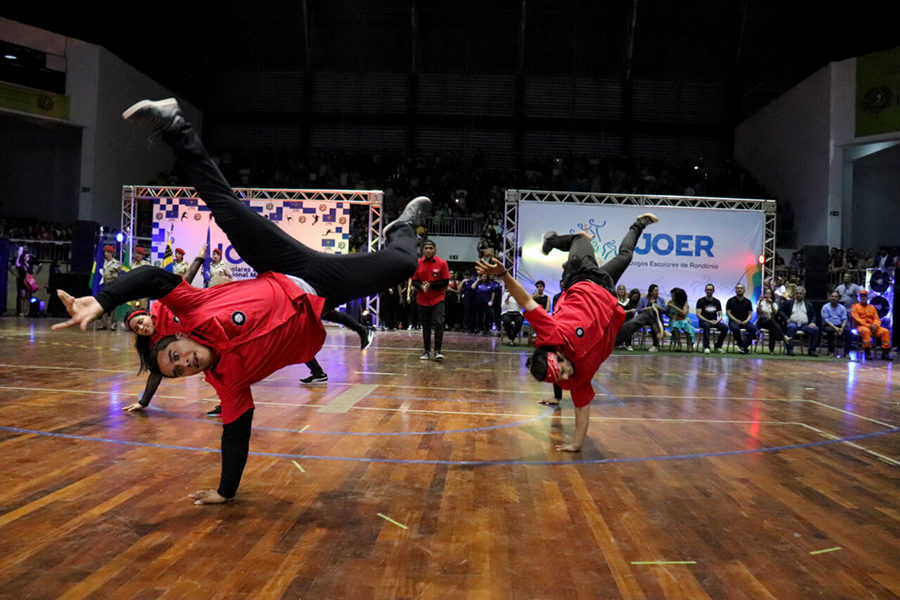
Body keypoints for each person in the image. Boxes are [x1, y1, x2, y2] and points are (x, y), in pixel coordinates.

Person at [53, 98, 427, 505]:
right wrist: (225, 492)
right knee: (405, 262)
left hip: (283, 265)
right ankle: (404, 226)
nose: (184, 364)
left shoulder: (192, 311)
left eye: (176, 356)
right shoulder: (229, 383)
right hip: (321, 290)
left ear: (180, 338)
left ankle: (173, 125)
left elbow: (156, 279)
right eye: (178, 373)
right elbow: (236, 432)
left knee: (226, 209)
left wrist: (103, 301)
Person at [477, 213, 659, 451]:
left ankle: (551, 242)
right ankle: (647, 314)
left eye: (561, 372)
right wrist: (576, 444)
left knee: (579, 240)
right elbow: (582, 409)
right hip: (607, 300)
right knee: (626, 256)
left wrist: (503, 275)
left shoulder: (551, 333)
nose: (565, 379)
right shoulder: (575, 380)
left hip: (582, 277)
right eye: (560, 379)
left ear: (559, 356)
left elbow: (525, 300)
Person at [414, 239, 449, 361]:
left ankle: (438, 350)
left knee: (439, 323)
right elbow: (414, 281)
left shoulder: (442, 263)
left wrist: (430, 285)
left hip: (437, 298)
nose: (428, 250)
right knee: (426, 325)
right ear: (423, 250)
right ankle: (426, 351)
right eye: (426, 248)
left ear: (435, 250)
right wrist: (421, 287)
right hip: (422, 298)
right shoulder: (417, 263)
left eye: (430, 248)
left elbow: (445, 281)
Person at [851, 290, 893, 361]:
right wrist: (869, 326)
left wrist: (875, 325)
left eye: (864, 296)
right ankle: (867, 352)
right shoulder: (855, 307)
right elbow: (858, 320)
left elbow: (876, 318)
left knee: (885, 331)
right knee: (866, 331)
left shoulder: (872, 307)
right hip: (860, 327)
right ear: (859, 297)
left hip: (873, 327)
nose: (863, 297)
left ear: (867, 297)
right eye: (861, 296)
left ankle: (885, 353)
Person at [779, 286, 820, 356]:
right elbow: (780, 310)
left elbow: (814, 315)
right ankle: (790, 350)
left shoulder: (808, 304)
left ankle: (811, 350)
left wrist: (813, 322)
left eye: (800, 293)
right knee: (791, 327)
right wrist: (786, 318)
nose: (798, 295)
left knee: (815, 329)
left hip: (805, 325)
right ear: (794, 294)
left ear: (804, 295)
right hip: (793, 323)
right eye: (797, 293)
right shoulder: (789, 303)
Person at [725, 283, 758, 354]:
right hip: (733, 321)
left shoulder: (748, 302)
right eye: (738, 288)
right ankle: (741, 345)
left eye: (741, 288)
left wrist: (747, 320)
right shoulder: (730, 301)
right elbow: (728, 313)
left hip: (745, 322)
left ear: (744, 290)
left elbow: (750, 313)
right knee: (735, 329)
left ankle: (744, 346)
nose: (739, 290)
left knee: (753, 328)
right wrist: (736, 320)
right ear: (735, 290)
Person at [695, 283, 728, 354]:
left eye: (710, 290)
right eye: (707, 290)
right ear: (705, 291)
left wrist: (717, 321)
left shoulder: (717, 301)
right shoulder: (700, 301)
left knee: (725, 327)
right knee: (706, 326)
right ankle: (706, 347)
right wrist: (708, 321)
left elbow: (720, 314)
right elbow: (698, 314)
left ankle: (718, 346)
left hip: (714, 321)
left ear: (713, 291)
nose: (709, 291)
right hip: (704, 321)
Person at [755, 289, 790, 354]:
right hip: (762, 321)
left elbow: (775, 313)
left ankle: (771, 350)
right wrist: (760, 302)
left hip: (771, 322)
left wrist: (771, 304)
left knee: (772, 327)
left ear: (772, 295)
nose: (767, 295)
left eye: (769, 293)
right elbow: (758, 313)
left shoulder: (774, 304)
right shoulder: (760, 302)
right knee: (772, 323)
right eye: (766, 293)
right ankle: (783, 336)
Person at [8, 249, 41, 317]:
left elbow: (37, 268)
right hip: (22, 281)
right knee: (22, 295)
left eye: (28, 256)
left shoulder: (31, 265)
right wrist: (14, 273)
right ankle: (21, 311)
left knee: (28, 296)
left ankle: (27, 311)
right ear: (23, 257)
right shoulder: (21, 264)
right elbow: (16, 264)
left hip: (29, 282)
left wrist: (35, 275)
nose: (27, 258)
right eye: (26, 256)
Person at [821, 291, 852, 359]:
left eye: (836, 297)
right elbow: (826, 319)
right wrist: (835, 328)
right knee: (830, 331)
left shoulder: (842, 308)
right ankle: (831, 352)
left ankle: (846, 353)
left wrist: (842, 328)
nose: (834, 298)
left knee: (849, 332)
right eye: (832, 296)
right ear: (829, 297)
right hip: (829, 325)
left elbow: (844, 319)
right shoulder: (825, 307)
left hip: (840, 325)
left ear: (839, 299)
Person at [98, 245, 122, 330]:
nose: (106, 254)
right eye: (105, 252)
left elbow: (120, 273)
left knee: (113, 307)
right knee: (104, 306)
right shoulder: (102, 263)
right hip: (104, 285)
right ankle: (103, 324)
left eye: (108, 252)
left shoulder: (116, 263)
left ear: (111, 253)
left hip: (113, 285)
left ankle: (113, 325)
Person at [637, 284, 666, 352]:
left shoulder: (661, 300)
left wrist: (659, 307)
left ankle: (655, 345)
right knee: (653, 317)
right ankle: (661, 333)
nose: (657, 292)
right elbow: (639, 311)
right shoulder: (643, 299)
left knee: (654, 323)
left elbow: (665, 310)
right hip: (646, 319)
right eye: (655, 291)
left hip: (656, 319)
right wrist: (646, 309)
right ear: (651, 292)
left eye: (658, 290)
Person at [666, 287, 695, 352]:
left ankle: (689, 343)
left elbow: (684, 313)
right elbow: (666, 312)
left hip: (684, 318)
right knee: (674, 325)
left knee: (686, 324)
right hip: (674, 319)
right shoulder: (670, 302)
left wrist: (674, 307)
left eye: (673, 296)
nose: (672, 297)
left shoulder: (685, 303)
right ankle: (678, 343)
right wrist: (671, 316)